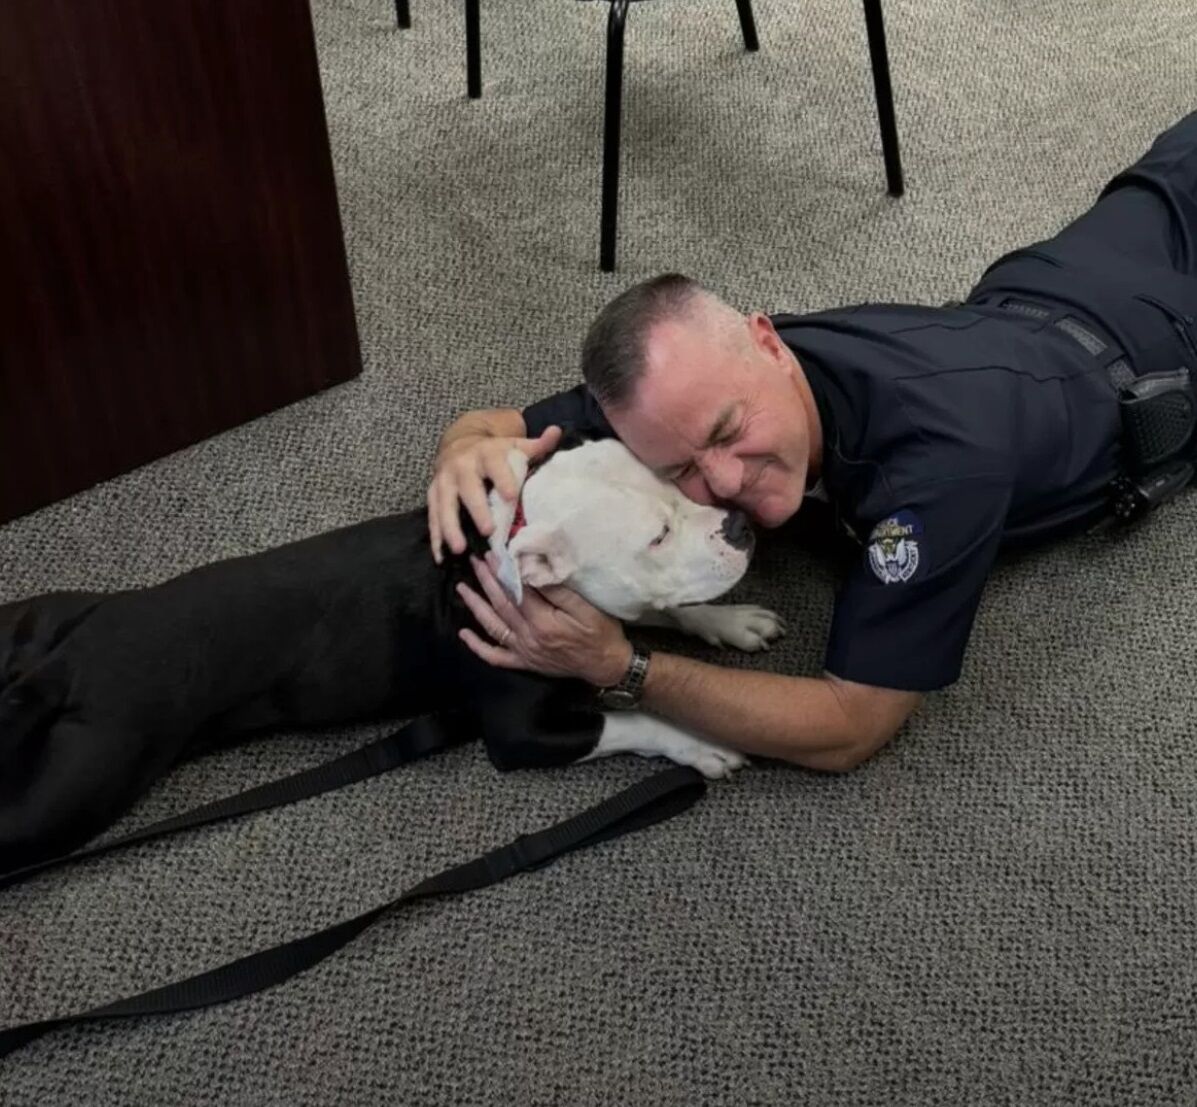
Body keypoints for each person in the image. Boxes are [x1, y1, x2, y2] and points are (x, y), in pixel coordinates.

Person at [427, 109, 1197, 774]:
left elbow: (848, 726)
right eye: (679, 468)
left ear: (767, 341)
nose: (722, 482)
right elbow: (498, 425)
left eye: (729, 433)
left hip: (1157, 358)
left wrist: (621, 667)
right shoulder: (693, 389)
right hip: (1045, 287)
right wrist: (462, 449)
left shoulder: (938, 466)